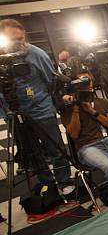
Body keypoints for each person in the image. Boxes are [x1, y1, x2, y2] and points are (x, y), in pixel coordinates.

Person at [0, 19, 73, 196]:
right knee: (31, 153)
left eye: (20, 38)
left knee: (55, 148)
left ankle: (64, 181)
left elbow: (50, 80)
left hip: (41, 109)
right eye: (11, 39)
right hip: (14, 113)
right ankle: (46, 183)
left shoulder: (36, 53)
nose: (17, 43)